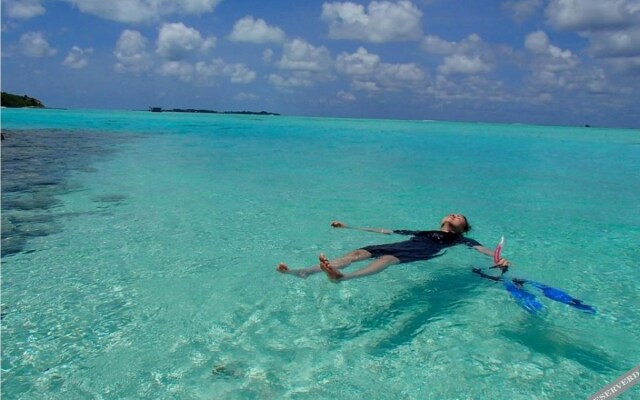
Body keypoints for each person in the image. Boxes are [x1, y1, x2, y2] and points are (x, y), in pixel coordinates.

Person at [276, 213, 509, 282]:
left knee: (386, 260)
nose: (455, 215)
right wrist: (350, 226)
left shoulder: (459, 240)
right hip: (403, 244)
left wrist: (499, 259)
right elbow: (385, 231)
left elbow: (482, 250)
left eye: (460, 217)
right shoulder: (423, 231)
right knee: (359, 252)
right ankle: (307, 271)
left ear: (463, 228)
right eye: (452, 213)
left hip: (420, 252)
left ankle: (343, 277)